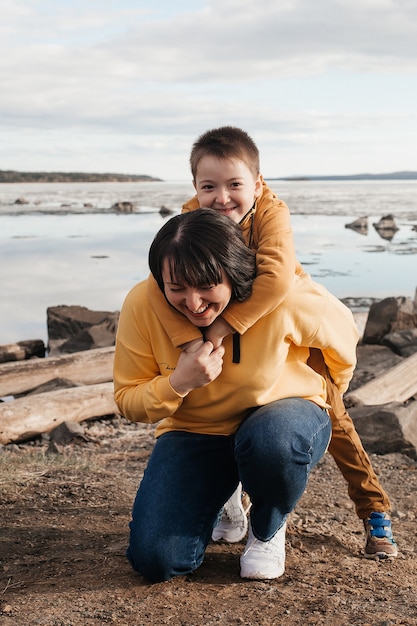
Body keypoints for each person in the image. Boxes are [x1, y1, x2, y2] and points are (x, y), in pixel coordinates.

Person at [147, 126, 397, 560]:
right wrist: (189, 340)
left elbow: (277, 281)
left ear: (257, 184)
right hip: (230, 322)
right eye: (209, 187)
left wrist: (222, 328)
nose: (222, 197)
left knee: (335, 418)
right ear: (194, 187)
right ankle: (231, 497)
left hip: (291, 325)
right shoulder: (191, 216)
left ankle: (374, 511)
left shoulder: (271, 213)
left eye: (234, 185)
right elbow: (162, 278)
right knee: (229, 406)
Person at [114, 208, 359, 583]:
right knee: (157, 561)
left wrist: (321, 402)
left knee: (273, 441)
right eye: (176, 288)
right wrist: (178, 383)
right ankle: (228, 495)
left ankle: (268, 526)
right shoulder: (141, 305)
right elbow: (128, 398)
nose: (193, 303)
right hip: (197, 432)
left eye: (206, 286)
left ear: (233, 271)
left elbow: (343, 338)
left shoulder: (286, 298)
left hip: (280, 421)